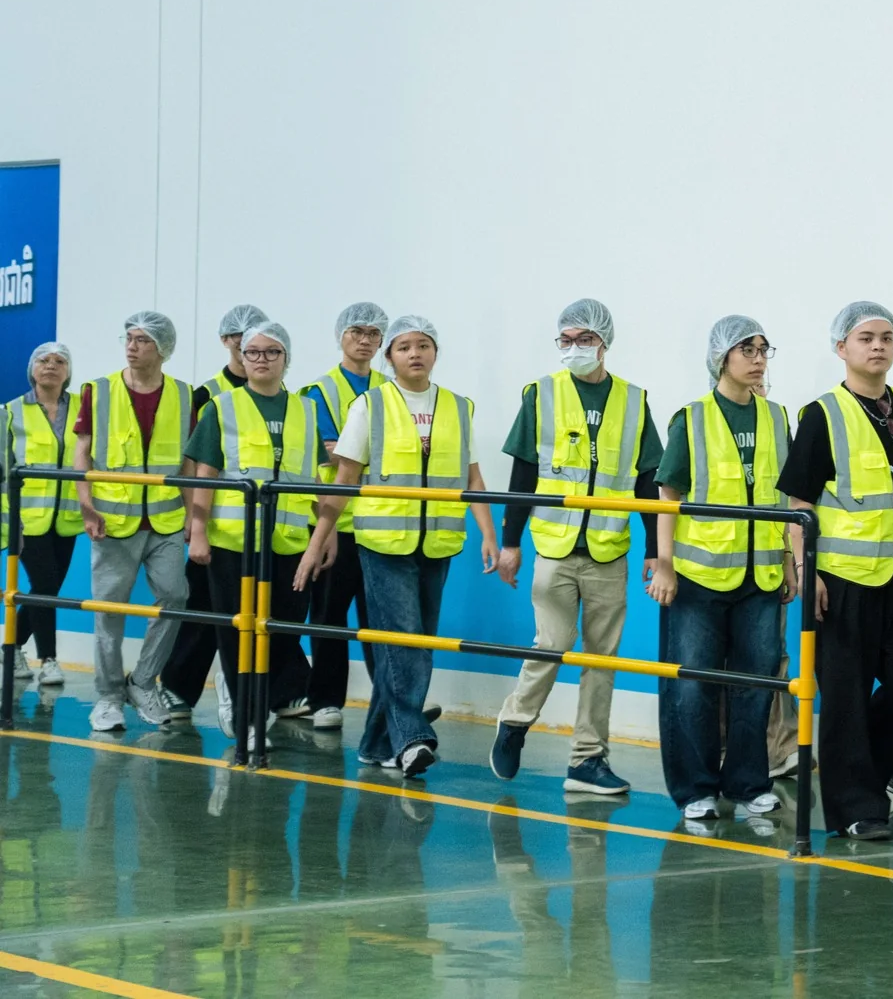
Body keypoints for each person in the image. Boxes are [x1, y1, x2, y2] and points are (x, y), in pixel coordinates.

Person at [775, 301, 893, 842]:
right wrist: (807, 570)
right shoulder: (822, 415)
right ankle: (856, 809)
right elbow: (798, 504)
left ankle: (861, 772)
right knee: (845, 696)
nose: (878, 346)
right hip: (844, 580)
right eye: (866, 337)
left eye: (887, 337)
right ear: (841, 348)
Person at [302, 315, 500, 778]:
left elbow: (472, 477)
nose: (415, 353)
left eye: (423, 345)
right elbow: (344, 479)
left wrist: (489, 535)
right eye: (404, 346)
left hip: (438, 544)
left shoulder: (458, 407)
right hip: (383, 543)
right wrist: (318, 542)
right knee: (403, 642)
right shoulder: (369, 405)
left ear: (435, 353)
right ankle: (412, 738)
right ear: (389, 357)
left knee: (418, 644)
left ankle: (376, 744)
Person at [489, 299, 661, 796]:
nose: (573, 348)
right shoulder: (541, 394)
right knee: (552, 644)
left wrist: (654, 549)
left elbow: (647, 480)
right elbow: (523, 473)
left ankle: (587, 759)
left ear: (604, 343)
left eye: (584, 339)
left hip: (609, 549)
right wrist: (510, 543)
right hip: (554, 547)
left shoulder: (634, 401)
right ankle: (515, 720)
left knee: (602, 659)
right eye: (565, 340)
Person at [646, 315, 791, 821]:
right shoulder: (691, 419)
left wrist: (789, 559)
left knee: (757, 684)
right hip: (698, 577)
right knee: (691, 686)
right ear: (720, 358)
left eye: (763, 350)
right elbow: (668, 495)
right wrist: (664, 563)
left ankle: (748, 783)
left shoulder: (777, 418)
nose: (757, 359)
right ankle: (695, 789)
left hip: (760, 576)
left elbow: (782, 499)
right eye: (746, 350)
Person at [180, 321, 323, 744]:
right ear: (241, 358)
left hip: (290, 541)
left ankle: (262, 703)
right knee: (236, 633)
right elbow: (205, 474)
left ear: (286, 359)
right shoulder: (222, 407)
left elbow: (315, 477)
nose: (262, 359)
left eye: (272, 352)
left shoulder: (305, 410)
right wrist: (198, 530)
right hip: (233, 541)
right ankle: (248, 720)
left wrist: (324, 533)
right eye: (253, 352)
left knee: (283, 630)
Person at [72, 311, 193, 732]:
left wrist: (193, 517)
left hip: (166, 519)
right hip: (112, 520)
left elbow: (188, 462)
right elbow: (82, 451)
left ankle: (142, 681)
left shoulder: (184, 394)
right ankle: (108, 697)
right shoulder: (99, 390)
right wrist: (86, 505)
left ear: (163, 348)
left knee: (175, 597)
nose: (132, 346)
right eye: (129, 338)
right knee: (109, 611)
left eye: (142, 340)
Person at [158, 302, 268, 726]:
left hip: (264, 525)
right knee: (204, 606)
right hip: (216, 520)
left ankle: (275, 692)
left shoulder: (277, 392)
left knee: (262, 610)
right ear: (225, 341)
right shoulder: (206, 395)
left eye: (255, 337)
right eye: (239, 337)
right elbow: (191, 461)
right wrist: (194, 519)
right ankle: (178, 687)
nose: (247, 344)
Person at [301, 302, 391, 730]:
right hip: (334, 521)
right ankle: (325, 700)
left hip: (382, 523)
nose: (365, 340)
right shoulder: (319, 392)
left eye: (374, 333)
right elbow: (324, 456)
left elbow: (385, 452)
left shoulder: (391, 389)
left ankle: (390, 700)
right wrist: (327, 526)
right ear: (341, 335)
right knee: (328, 616)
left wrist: (350, 451)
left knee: (381, 621)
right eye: (357, 331)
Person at [3, 342, 85, 690]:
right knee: (46, 586)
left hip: (67, 518)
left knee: (46, 588)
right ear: (32, 369)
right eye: (43, 360)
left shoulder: (84, 408)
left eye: (59, 361)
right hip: (27, 518)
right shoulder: (10, 412)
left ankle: (11, 648)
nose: (51, 365)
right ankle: (49, 660)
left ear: (68, 371)